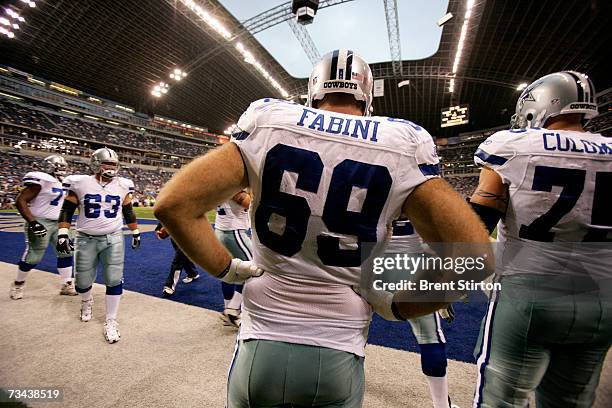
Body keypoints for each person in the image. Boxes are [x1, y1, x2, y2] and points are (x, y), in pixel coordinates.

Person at [155, 49, 492, 407]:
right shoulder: (403, 143)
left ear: (313, 92)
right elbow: (474, 257)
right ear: (367, 97)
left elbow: (173, 205)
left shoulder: (270, 121)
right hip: (338, 350)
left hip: (260, 344)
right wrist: (397, 307)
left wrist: (228, 269)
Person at [469, 71, 612, 407]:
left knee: (500, 398)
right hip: (603, 298)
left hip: (530, 293)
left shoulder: (512, 146)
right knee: (572, 400)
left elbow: (479, 220)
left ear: (540, 105)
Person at [57, 147, 141, 344]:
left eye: (114, 164)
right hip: (86, 238)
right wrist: (62, 234)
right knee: (82, 283)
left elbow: (128, 210)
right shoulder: (80, 183)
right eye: (107, 163)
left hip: (114, 237)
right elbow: (67, 210)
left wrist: (135, 231)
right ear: (96, 163)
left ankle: (111, 320)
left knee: (114, 279)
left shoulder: (123, 185)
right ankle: (86, 301)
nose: (111, 167)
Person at [385, 218, 457, 408]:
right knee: (430, 338)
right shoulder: (420, 189)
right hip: (409, 267)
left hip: (370, 263)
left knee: (356, 329)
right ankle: (441, 405)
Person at [9, 154, 76, 299]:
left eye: (64, 167)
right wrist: (33, 222)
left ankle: (66, 284)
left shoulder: (64, 182)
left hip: (59, 222)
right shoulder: (41, 180)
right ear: (49, 166)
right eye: (59, 166)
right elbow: (20, 200)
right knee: (34, 256)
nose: (62, 169)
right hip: (41, 221)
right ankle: (18, 284)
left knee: (66, 252)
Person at [215, 190, 252, 328]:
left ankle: (228, 309)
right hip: (233, 231)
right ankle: (233, 309)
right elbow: (248, 202)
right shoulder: (232, 182)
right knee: (254, 269)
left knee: (229, 272)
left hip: (221, 229)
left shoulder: (218, 180)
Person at [156, 222, 200, 297]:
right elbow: (164, 215)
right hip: (175, 236)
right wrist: (159, 229)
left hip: (190, 235)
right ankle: (192, 273)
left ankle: (169, 287)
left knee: (178, 260)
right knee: (183, 257)